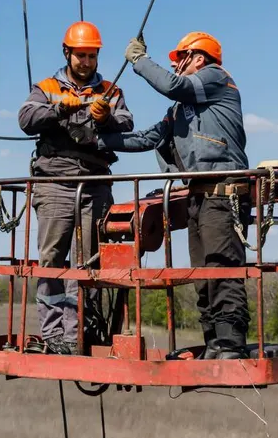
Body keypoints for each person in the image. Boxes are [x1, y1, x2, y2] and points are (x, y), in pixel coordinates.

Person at [95, 32, 252, 359]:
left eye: (180, 57)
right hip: (198, 197)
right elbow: (145, 139)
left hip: (224, 194)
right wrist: (97, 139)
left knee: (222, 270)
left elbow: (172, 85)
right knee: (202, 276)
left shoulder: (217, 79)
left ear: (199, 58)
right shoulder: (180, 111)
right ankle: (214, 343)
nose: (174, 63)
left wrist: (139, 60)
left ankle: (231, 346)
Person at [17, 21, 134, 355]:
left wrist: (105, 116)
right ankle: (54, 334)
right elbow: (26, 119)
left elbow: (127, 123)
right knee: (52, 257)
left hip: (94, 183)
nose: (86, 61)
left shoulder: (110, 90)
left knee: (88, 261)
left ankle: (79, 332)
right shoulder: (47, 87)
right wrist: (59, 109)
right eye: (80, 55)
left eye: (92, 55)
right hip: (55, 182)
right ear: (67, 53)